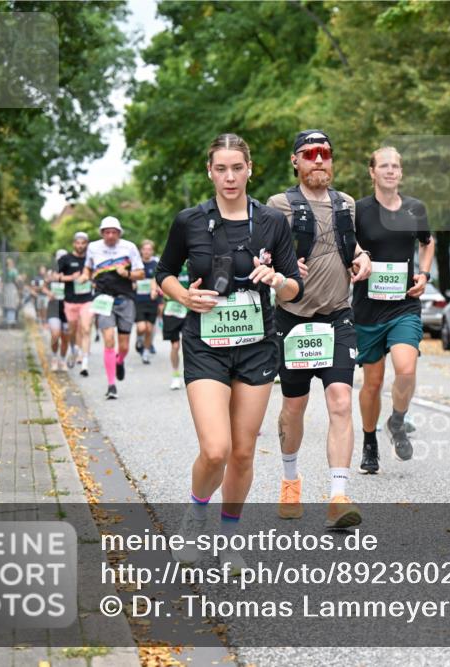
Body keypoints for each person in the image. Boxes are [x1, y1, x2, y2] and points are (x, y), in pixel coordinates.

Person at [155, 132, 303, 571]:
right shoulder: (190, 221)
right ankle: (196, 514)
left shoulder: (274, 222)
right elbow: (165, 272)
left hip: (257, 345)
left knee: (242, 451)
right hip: (205, 344)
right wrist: (183, 296)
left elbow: (294, 286)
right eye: (221, 168)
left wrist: (277, 281)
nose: (229, 176)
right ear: (210, 172)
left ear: (250, 169)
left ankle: (229, 537)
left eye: (237, 167)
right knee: (216, 448)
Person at [267, 129, 372, 528]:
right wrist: (283, 267)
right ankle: (290, 480)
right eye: (310, 153)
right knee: (294, 408)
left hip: (338, 316)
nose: (318, 160)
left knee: (341, 401)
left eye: (325, 153)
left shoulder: (346, 203)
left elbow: (353, 246)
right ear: (296, 161)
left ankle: (338, 495)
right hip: (293, 319)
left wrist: (364, 260)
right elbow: (266, 253)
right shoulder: (280, 205)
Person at [353, 147, 434, 473]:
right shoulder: (357, 210)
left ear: (401, 172)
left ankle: (397, 420)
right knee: (372, 384)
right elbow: (347, 248)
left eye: (395, 166)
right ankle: (369, 440)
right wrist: (355, 262)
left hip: (404, 305)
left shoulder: (415, 209)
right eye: (383, 166)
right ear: (372, 172)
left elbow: (427, 242)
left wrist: (424, 274)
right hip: (368, 309)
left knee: (406, 369)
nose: (390, 171)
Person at [81, 217, 144, 399]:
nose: (110, 235)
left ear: (119, 233)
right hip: (103, 299)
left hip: (125, 299)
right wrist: (85, 276)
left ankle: (119, 360)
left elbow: (141, 273)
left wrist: (128, 273)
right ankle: (111, 385)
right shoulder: (93, 247)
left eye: (113, 232)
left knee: (123, 346)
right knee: (108, 340)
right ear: (102, 233)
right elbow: (88, 267)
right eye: (106, 232)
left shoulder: (129, 247)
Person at [57, 232, 94, 374]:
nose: (80, 245)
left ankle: (85, 362)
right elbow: (56, 277)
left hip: (87, 300)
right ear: (74, 243)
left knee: (85, 328)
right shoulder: (65, 259)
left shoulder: (90, 259)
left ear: (87, 244)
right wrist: (71, 278)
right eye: (78, 243)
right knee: (72, 330)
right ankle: (74, 349)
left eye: (83, 243)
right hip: (70, 301)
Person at [159, 261, 190, 390]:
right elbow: (157, 278)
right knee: (175, 345)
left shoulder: (193, 261)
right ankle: (175, 374)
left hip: (189, 309)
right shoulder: (170, 262)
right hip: (172, 309)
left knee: (189, 344)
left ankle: (192, 375)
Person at [133, 239, 162, 364]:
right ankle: (139, 338)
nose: (147, 252)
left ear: (152, 251)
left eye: (149, 249)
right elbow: (131, 277)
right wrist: (133, 283)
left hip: (152, 301)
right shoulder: (136, 264)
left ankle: (145, 352)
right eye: (145, 249)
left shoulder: (156, 264)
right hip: (138, 301)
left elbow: (159, 280)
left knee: (149, 329)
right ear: (141, 250)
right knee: (141, 327)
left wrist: (156, 290)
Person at [47, 250, 71, 372]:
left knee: (65, 338)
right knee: (55, 334)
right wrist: (48, 293)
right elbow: (43, 286)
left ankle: (62, 359)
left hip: (67, 308)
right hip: (53, 307)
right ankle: (54, 357)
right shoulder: (51, 273)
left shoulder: (71, 274)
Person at [1, 257, 20, 326]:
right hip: (12, 287)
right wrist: (19, 287)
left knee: (6, 303)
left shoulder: (5, 271)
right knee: (12, 303)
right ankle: (11, 320)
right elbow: (16, 280)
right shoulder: (14, 271)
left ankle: (6, 319)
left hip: (6, 288)